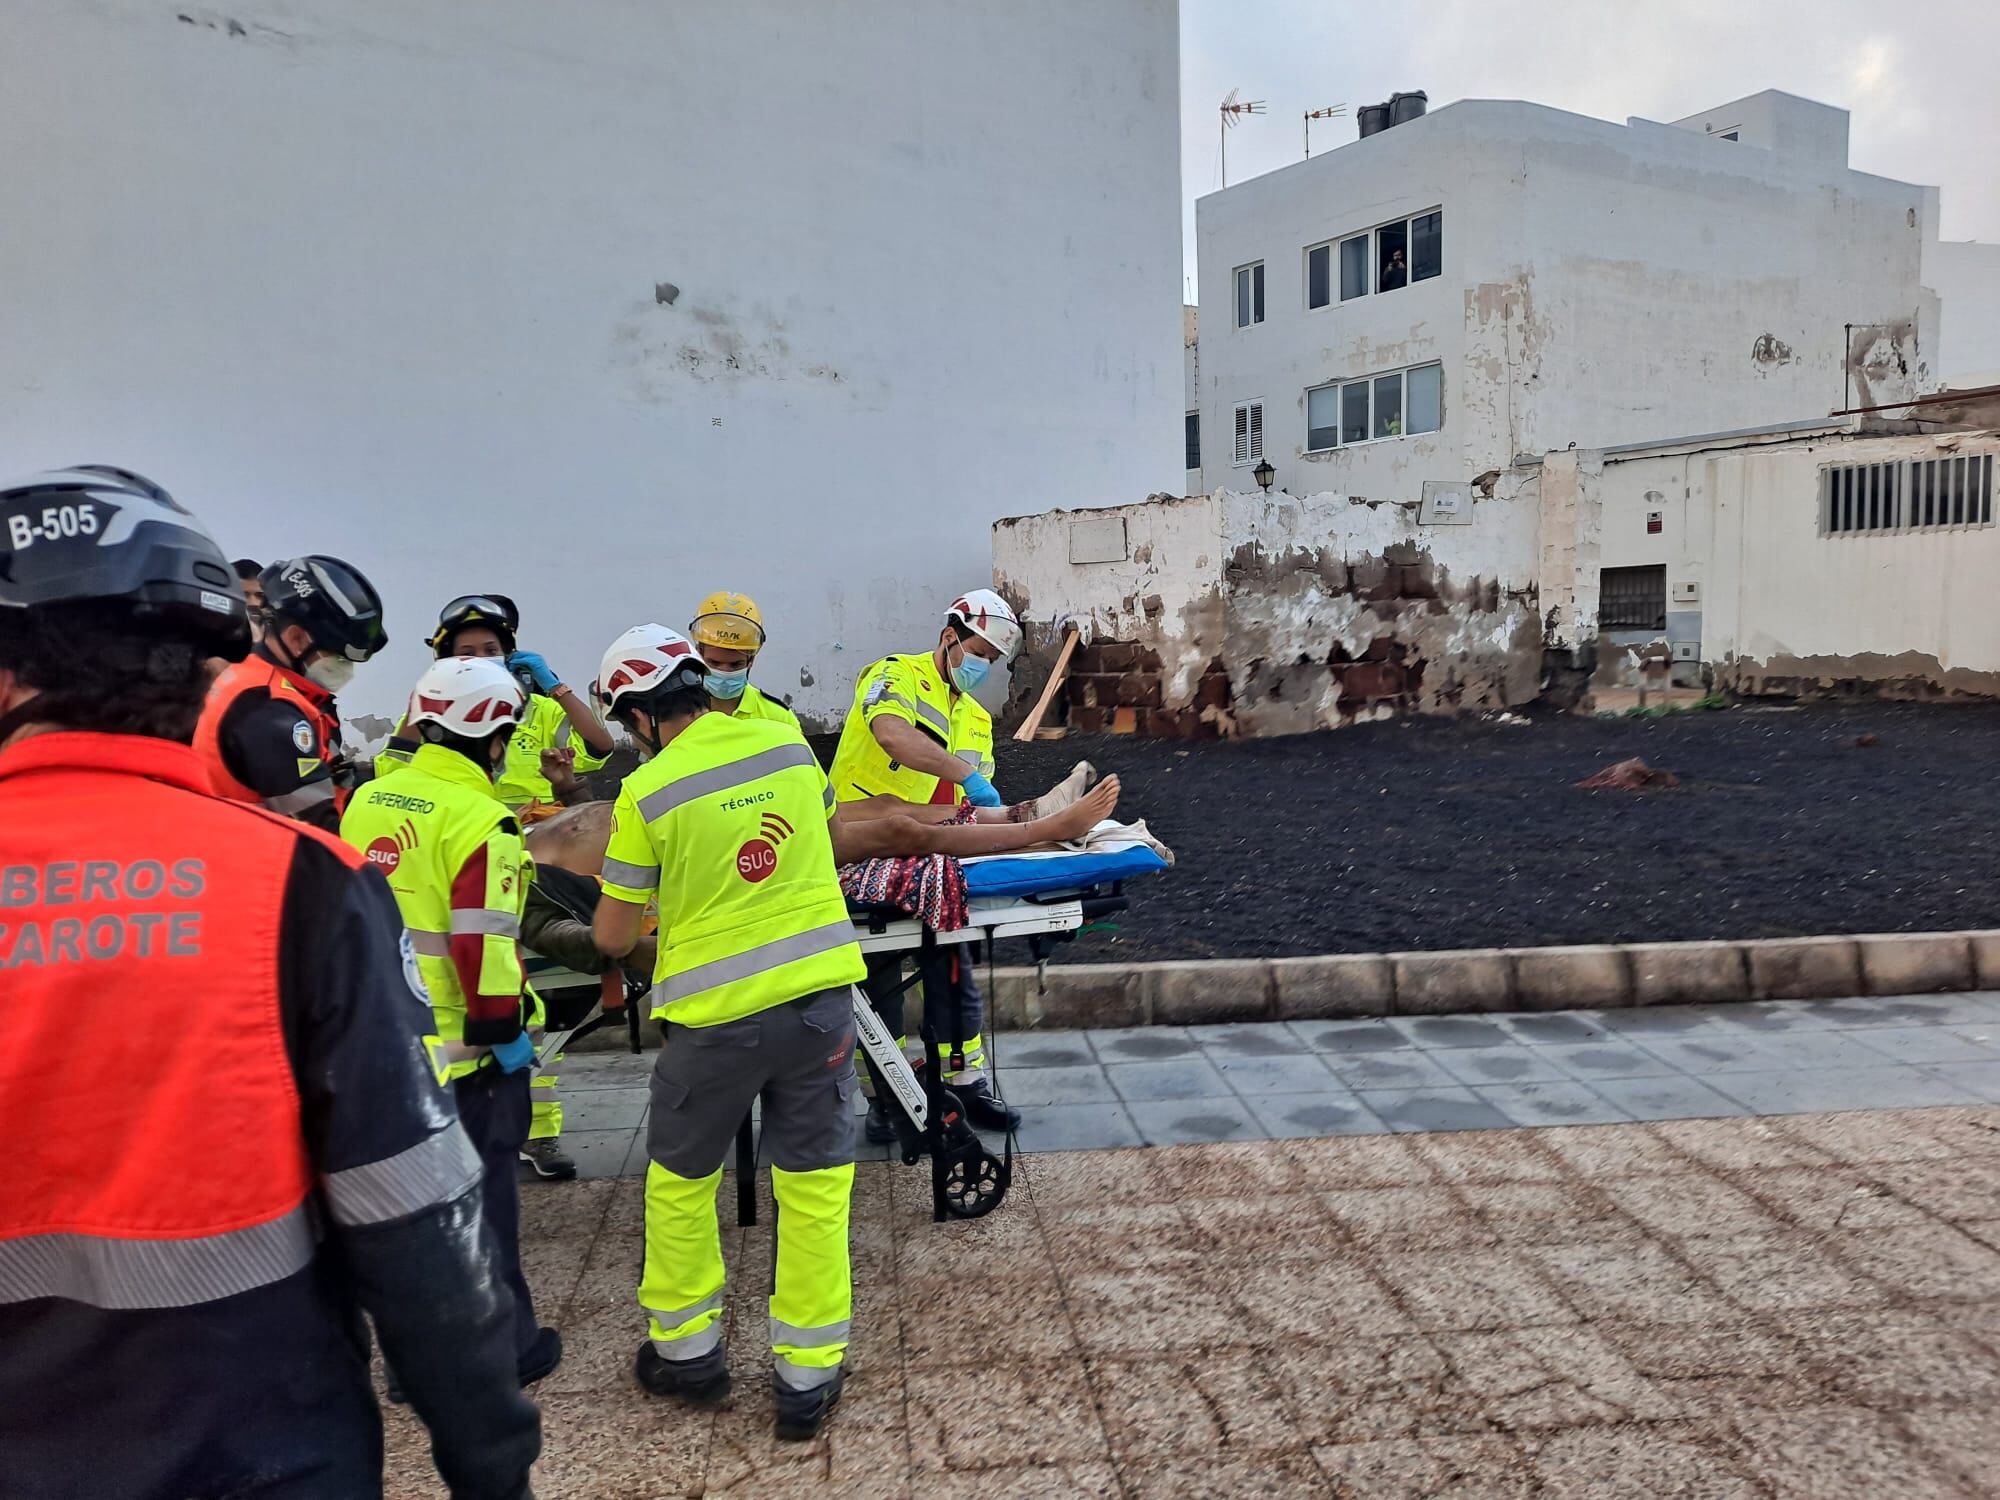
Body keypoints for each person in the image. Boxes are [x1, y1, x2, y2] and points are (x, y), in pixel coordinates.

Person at [0, 466, 539, 1500]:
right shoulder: (294, 885)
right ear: (204, 670)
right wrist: (489, 1457)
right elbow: (416, 1227)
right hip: (263, 1447)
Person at [590, 624, 863, 1442]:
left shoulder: (649, 792)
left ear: (639, 715)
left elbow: (610, 935)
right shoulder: (787, 746)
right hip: (819, 1006)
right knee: (814, 1188)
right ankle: (806, 1379)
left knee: (681, 1181)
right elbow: (813, 839)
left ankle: (689, 1354)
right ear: (700, 682)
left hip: (713, 1024)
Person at [340, 655, 563, 1391]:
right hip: (465, 1057)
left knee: (410, 1214)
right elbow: (483, 944)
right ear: (495, 738)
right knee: (484, 1207)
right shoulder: (483, 820)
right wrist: (504, 1036)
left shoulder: (370, 800)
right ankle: (506, 1349)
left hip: (383, 1045)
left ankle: (412, 1363)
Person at [380, 594, 615, 1178]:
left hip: (531, 849)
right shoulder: (425, 731)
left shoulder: (530, 708)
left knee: (530, 1011)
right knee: (512, 1003)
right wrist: (429, 694)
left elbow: (602, 748)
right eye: (466, 654)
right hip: (482, 855)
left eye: (492, 651)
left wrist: (556, 690)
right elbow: (396, 770)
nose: (481, 661)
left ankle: (537, 1134)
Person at [828, 589, 1024, 1133]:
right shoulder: (894, 676)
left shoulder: (977, 721)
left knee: (954, 968)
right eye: (979, 652)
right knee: (878, 979)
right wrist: (968, 779)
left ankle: (965, 1087)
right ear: (949, 637)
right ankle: (888, 1099)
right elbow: (891, 734)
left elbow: (973, 807)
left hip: (935, 854)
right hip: (863, 846)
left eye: (993, 659)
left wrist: (996, 813)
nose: (983, 666)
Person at [194, 553, 387, 829]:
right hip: (259, 861)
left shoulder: (254, 676)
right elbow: (318, 836)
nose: (346, 668)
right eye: (339, 655)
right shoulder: (268, 709)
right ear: (296, 639)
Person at [688, 590, 800, 728]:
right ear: (698, 655)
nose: (724, 673)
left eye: (735, 665)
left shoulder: (779, 717)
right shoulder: (678, 712)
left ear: (751, 660)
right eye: (714, 663)